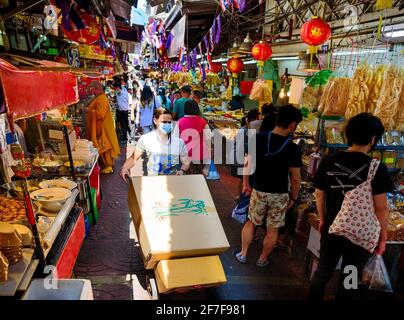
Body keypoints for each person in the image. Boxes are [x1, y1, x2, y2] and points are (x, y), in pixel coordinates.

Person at [308, 113, 394, 300]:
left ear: (349, 134)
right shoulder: (377, 168)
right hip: (359, 234)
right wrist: (383, 238)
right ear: (373, 139)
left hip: (332, 227)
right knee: (350, 276)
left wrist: (323, 219)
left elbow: (319, 193)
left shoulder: (329, 160)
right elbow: (381, 208)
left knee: (323, 272)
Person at [234, 105, 303, 267]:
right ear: (293, 125)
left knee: (251, 222)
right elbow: (295, 178)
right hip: (280, 194)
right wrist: (293, 196)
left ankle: (243, 254)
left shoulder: (257, 138)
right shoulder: (293, 148)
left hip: (258, 190)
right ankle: (262, 259)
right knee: (273, 229)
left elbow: (247, 163)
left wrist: (245, 183)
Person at [119, 108, 191, 180]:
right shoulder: (145, 140)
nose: (167, 124)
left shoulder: (179, 142)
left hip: (173, 183)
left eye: (169, 122)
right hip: (153, 183)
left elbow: (186, 163)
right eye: (164, 122)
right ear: (155, 121)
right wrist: (125, 168)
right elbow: (134, 158)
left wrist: (182, 170)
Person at [85, 81, 120, 173]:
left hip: (102, 128)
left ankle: (108, 166)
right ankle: (106, 165)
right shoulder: (99, 97)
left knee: (105, 147)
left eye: (94, 89)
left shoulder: (102, 99)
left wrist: (88, 110)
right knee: (103, 147)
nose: (93, 91)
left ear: (99, 90)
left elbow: (100, 114)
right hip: (100, 127)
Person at [174, 100, 212, 175]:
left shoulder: (180, 122)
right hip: (201, 155)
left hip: (185, 155)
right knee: (199, 177)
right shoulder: (203, 122)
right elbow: (208, 141)